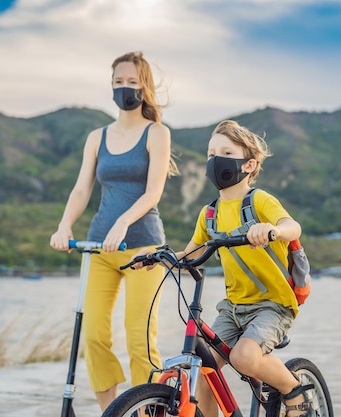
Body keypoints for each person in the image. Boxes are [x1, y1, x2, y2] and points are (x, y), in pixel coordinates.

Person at [133, 120, 314, 417]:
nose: (215, 160)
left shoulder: (259, 201)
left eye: (226, 152)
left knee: (244, 358)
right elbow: (190, 252)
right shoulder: (210, 214)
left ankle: (294, 391)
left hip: (273, 305)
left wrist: (271, 230)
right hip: (232, 307)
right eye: (211, 153)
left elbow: (292, 227)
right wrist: (154, 256)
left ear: (248, 164)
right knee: (204, 366)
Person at [50, 51, 178, 412]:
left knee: (140, 340)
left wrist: (124, 221)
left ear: (145, 87)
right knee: (93, 337)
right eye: (119, 82)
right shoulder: (97, 137)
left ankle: (147, 409)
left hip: (144, 248)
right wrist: (64, 226)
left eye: (132, 82)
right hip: (98, 248)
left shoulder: (157, 133)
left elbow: (153, 192)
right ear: (111, 86)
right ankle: (113, 411)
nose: (125, 88)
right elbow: (81, 190)